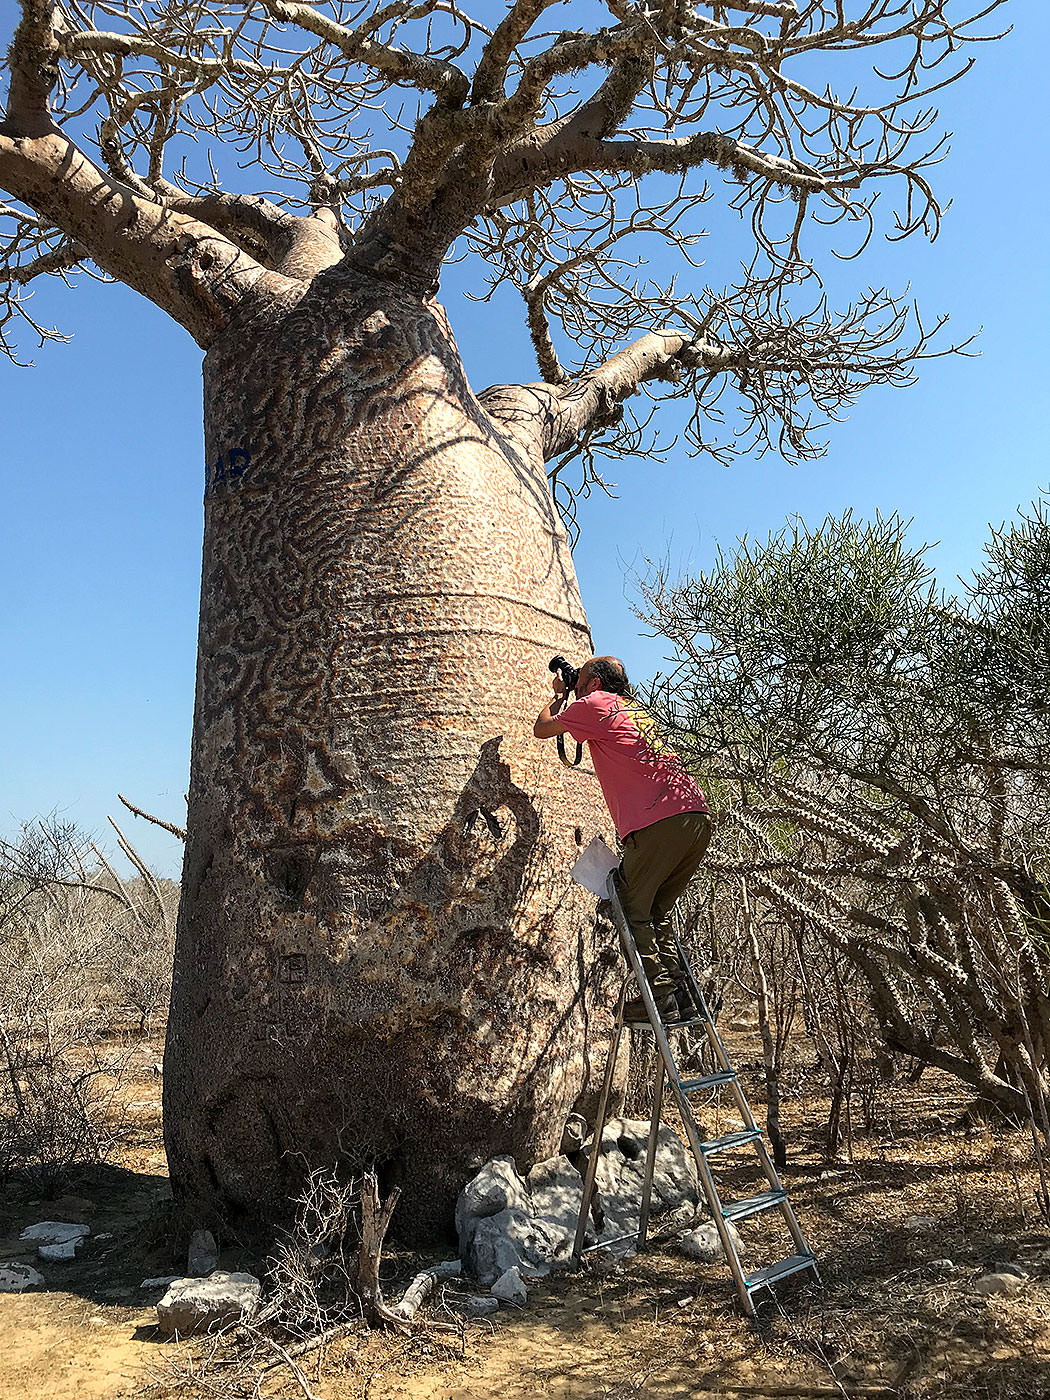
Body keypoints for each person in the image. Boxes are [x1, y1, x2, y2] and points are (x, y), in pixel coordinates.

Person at [534, 655, 711, 1023]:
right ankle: (683, 996)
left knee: (629, 911)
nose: (577, 685)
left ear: (596, 685)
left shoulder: (594, 703)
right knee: (654, 912)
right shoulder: (634, 709)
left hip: (658, 822)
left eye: (580, 680)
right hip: (694, 818)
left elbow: (543, 728)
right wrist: (574, 688)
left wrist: (560, 695)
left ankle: (660, 999)